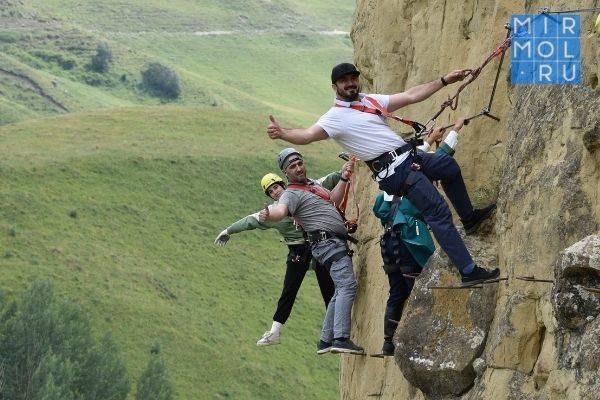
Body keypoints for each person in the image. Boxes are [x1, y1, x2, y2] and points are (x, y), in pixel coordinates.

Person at [266, 62, 499, 284]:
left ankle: (469, 219)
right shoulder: (333, 118)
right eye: (344, 81)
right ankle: (469, 271)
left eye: (353, 78)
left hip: (408, 158)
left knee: (448, 168)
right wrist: (283, 133)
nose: (350, 83)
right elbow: (307, 136)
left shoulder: (369, 101)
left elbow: (410, 95)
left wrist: (444, 80)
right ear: (334, 87)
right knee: (437, 210)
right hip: (394, 171)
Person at [214, 171, 342, 346]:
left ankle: (335, 332)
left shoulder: (303, 191)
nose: (275, 192)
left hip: (318, 246)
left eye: (275, 187)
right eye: (271, 191)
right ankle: (274, 332)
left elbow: (327, 180)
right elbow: (250, 220)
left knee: (327, 286)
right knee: (289, 290)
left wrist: (345, 170)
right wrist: (228, 231)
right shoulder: (273, 212)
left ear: (283, 185)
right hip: (297, 251)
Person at [259, 148, 364, 355]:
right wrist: (269, 215)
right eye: (292, 166)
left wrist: (343, 177)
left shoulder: (313, 185)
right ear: (285, 174)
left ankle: (325, 340)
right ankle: (341, 338)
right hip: (327, 243)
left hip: (331, 242)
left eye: (299, 163)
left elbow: (333, 199)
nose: (298, 168)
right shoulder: (290, 194)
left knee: (338, 291)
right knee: (348, 286)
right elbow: (281, 211)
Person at [373, 119, 464, 356]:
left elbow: (419, 155)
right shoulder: (410, 174)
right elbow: (441, 156)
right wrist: (455, 131)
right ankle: (419, 343)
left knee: (397, 292)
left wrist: (429, 139)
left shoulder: (388, 183)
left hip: (388, 244)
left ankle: (388, 342)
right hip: (407, 243)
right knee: (417, 289)